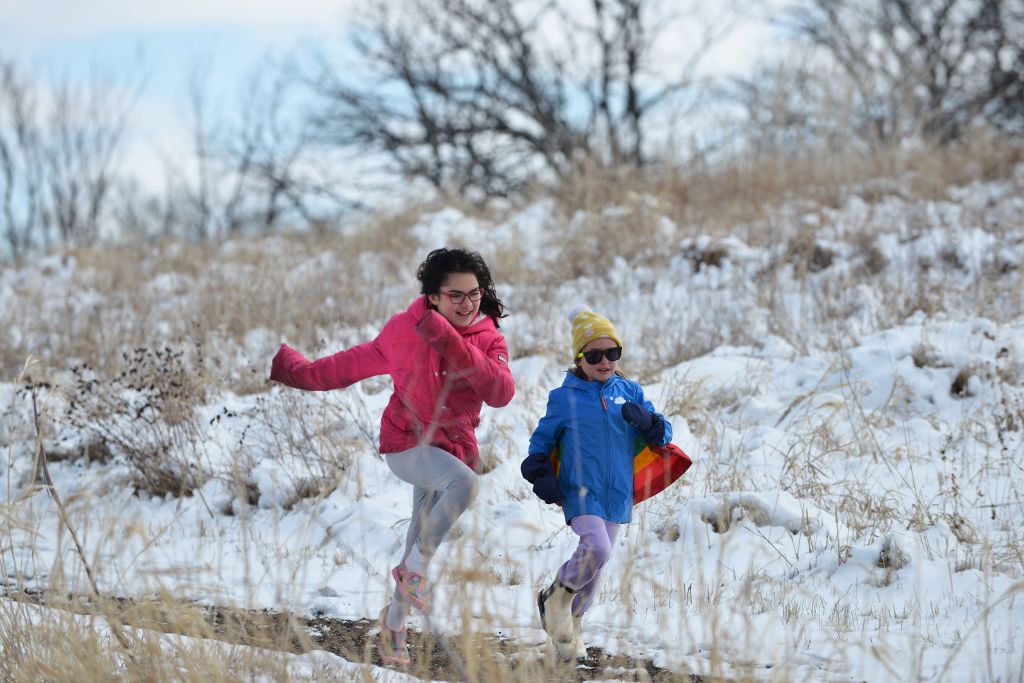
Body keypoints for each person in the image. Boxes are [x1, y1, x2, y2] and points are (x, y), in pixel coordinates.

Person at [269, 247, 515, 667]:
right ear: (433, 297)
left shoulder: (490, 338)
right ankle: (412, 573)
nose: (468, 302)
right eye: (455, 295)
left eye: (474, 293)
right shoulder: (403, 329)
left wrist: (451, 343)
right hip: (405, 444)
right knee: (464, 489)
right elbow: (347, 366)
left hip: (452, 449)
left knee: (418, 541)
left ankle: (394, 623)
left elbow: (500, 392)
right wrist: (295, 369)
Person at [521, 305, 672, 660]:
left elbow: (663, 434)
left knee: (597, 569)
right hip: (580, 491)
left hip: (618, 494)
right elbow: (540, 443)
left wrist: (650, 422)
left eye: (613, 353)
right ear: (579, 357)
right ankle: (555, 595)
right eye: (594, 355)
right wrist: (540, 473)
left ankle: (568, 635)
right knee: (597, 549)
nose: (605, 361)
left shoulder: (630, 391)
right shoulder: (565, 397)